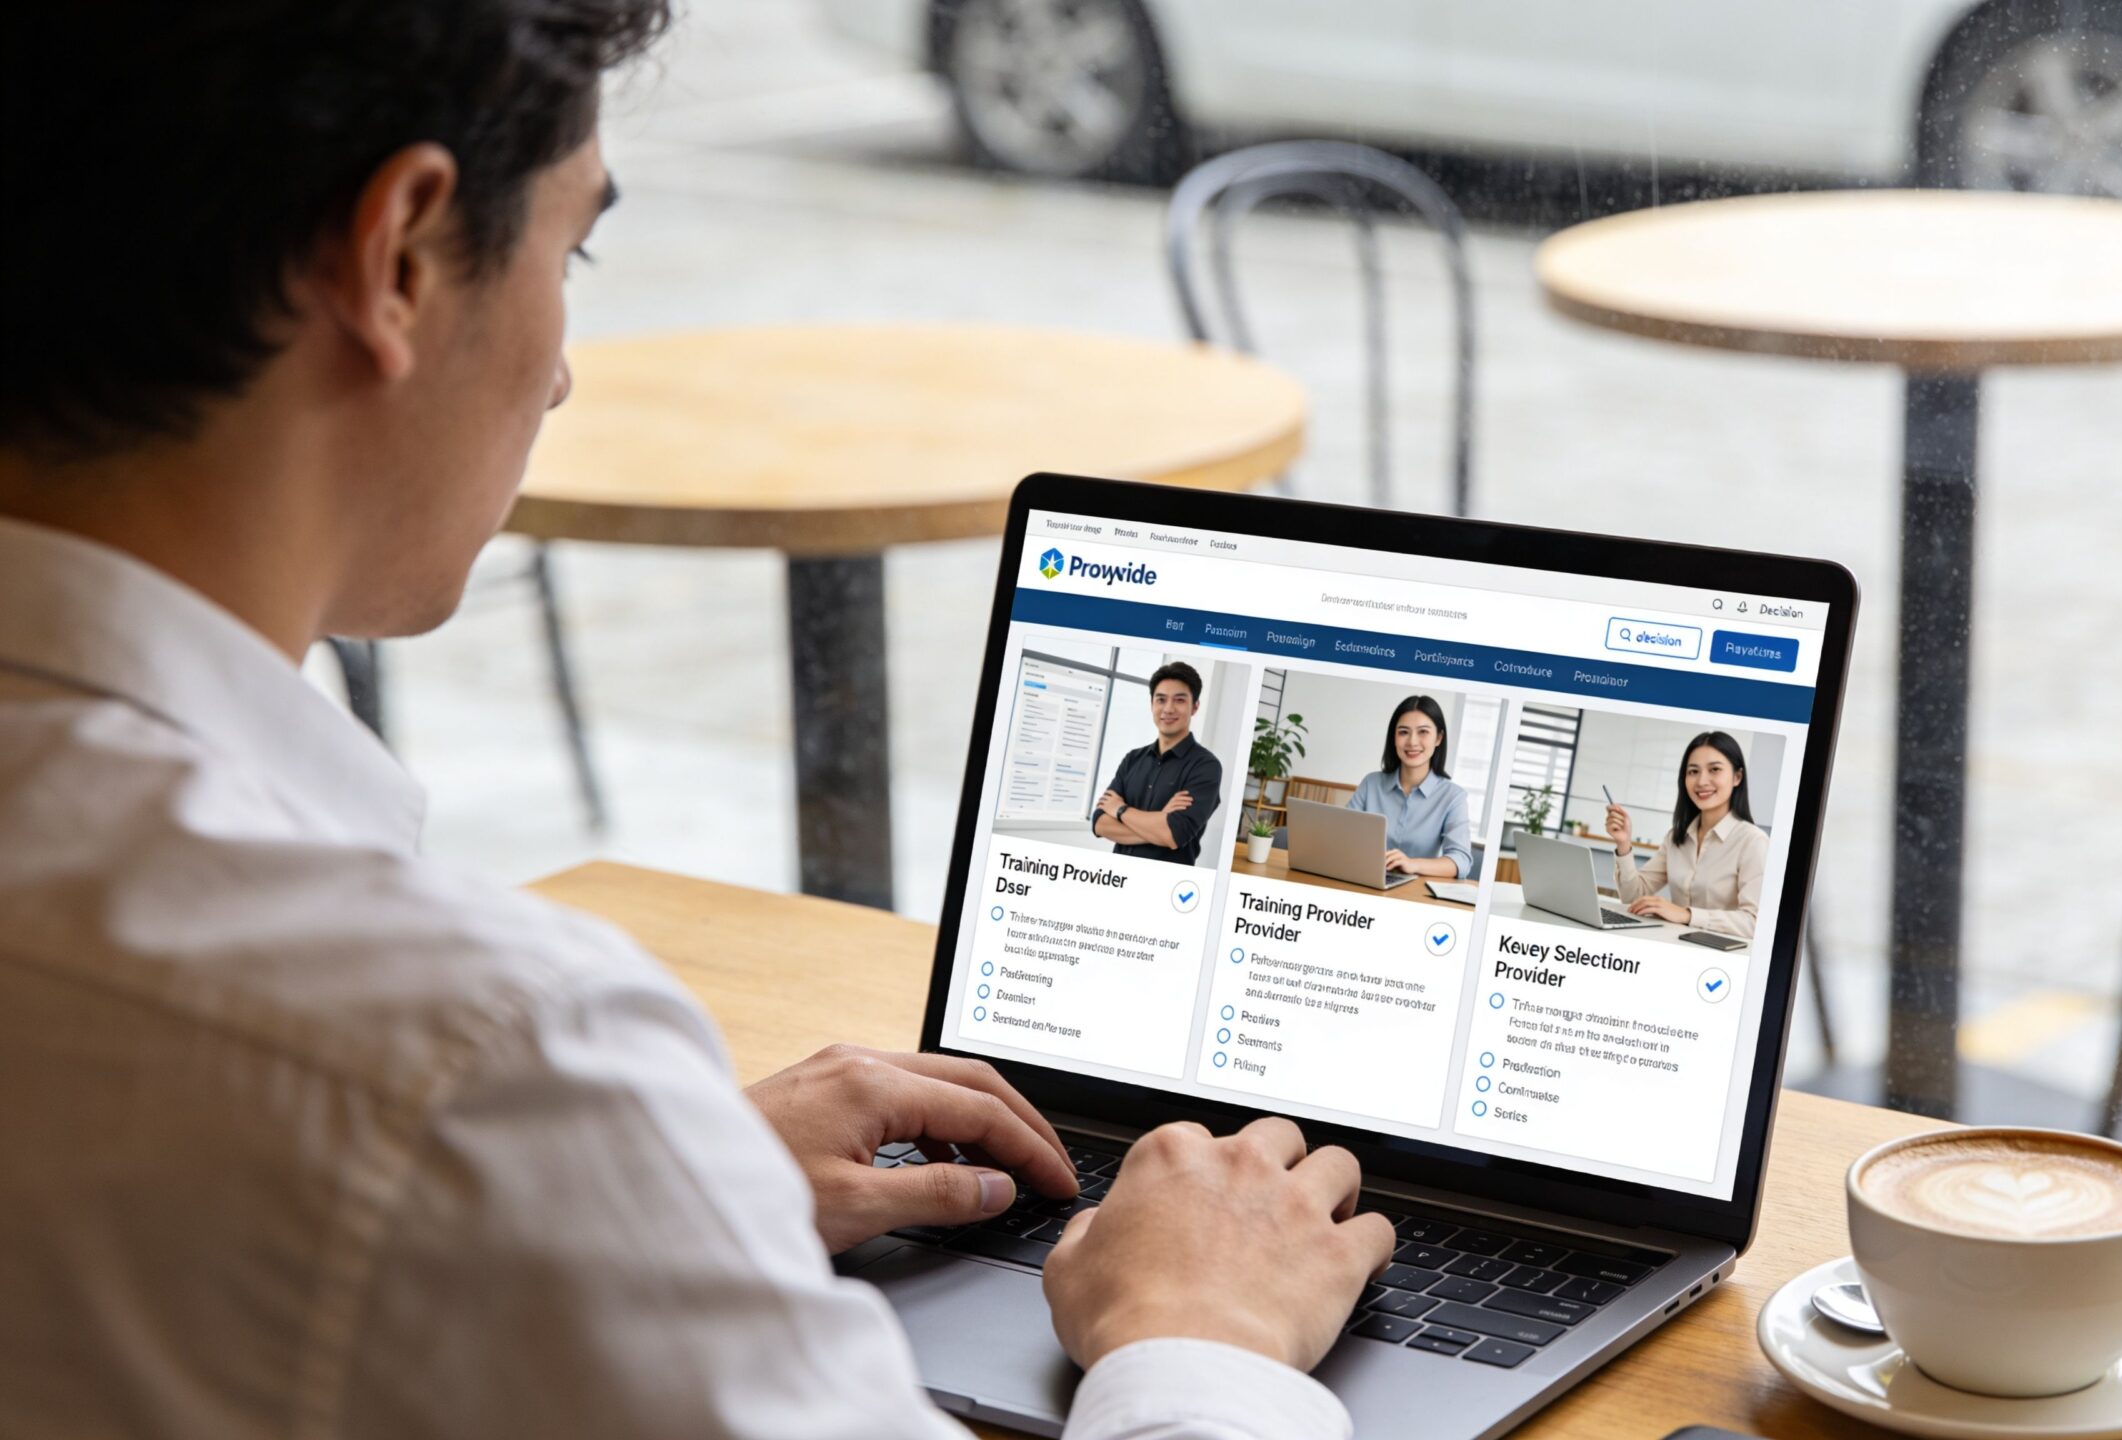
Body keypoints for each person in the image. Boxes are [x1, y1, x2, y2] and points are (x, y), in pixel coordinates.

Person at [0, 6, 1389, 1437]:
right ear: (400, 258)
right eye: (571, 252)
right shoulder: (461, 1066)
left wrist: (637, 1199)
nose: (559, 371)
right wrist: (1201, 1336)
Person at [1603, 731, 1769, 937]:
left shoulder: (1752, 841)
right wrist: (1623, 843)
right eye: (1693, 771)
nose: (1701, 781)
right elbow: (1632, 896)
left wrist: (1687, 915)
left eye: (1715, 769)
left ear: (1737, 777)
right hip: (1676, 944)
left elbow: (1755, 922)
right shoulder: (1676, 837)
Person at [1092, 661, 1224, 867]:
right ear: (1152, 704)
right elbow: (1100, 823)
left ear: (1195, 707)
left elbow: (1172, 835)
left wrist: (1120, 810)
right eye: (1161, 699)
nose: (1168, 709)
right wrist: (1159, 822)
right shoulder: (1132, 759)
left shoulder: (1206, 766)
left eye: (1179, 700)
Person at [1346, 695, 1474, 880]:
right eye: (1404, 732)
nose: (1412, 742)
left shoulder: (1453, 797)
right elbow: (1343, 835)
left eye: (1423, 732)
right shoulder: (1371, 783)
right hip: (1364, 880)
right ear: (1394, 738)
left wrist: (1413, 864)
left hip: (1416, 890)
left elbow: (1461, 861)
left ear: (1438, 738)